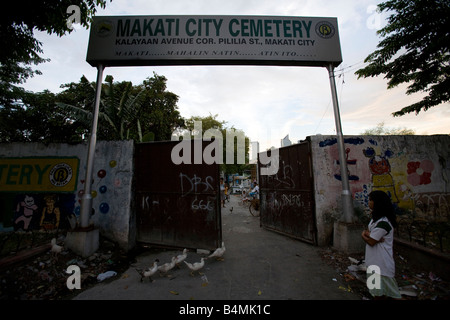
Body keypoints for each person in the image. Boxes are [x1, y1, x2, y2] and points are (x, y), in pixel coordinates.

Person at [361, 190, 401, 300]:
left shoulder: (384, 223)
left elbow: (371, 241)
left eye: (370, 200)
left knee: (390, 293)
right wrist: (367, 234)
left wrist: (364, 235)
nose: (368, 202)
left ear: (377, 202)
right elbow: (370, 234)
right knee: (375, 292)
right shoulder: (376, 220)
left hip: (381, 264)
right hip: (373, 262)